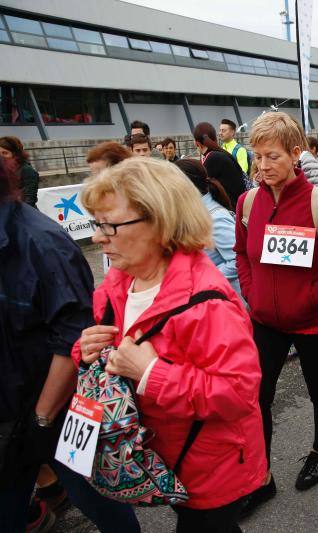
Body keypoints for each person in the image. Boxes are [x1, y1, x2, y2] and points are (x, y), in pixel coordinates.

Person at [76, 157, 266, 532]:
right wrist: (85, 351)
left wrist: (150, 372)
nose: (98, 238)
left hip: (210, 467)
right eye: (97, 224)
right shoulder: (119, 278)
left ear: (160, 223)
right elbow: (106, 352)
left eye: (109, 225)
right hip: (162, 455)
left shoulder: (207, 302)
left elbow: (238, 393)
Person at [0, 159, 141, 533]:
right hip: (7, 410)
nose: (97, 238)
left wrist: (42, 418)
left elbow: (74, 339)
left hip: (56, 410)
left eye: (105, 226)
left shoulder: (42, 243)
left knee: (96, 496)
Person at [233, 112, 318, 514]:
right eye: (257, 157)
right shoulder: (247, 201)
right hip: (265, 322)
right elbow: (242, 253)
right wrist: (252, 292)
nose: (262, 167)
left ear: (296, 154)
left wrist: (313, 299)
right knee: (258, 397)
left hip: (312, 323)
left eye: (272, 157)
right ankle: (261, 477)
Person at [175, 159, 240, 296]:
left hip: (222, 299)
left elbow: (237, 261)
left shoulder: (215, 218)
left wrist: (202, 278)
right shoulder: (197, 213)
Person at [193, 122, 247, 207]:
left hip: (233, 209)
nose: (221, 133)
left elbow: (199, 188)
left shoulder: (213, 157)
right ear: (214, 138)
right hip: (237, 205)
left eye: (223, 130)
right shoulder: (217, 153)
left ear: (196, 143)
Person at [0, 136, 39, 207]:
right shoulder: (3, 171)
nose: (1, 157)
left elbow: (30, 200)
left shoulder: (27, 170)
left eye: (5, 153)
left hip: (22, 214)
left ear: (15, 154)